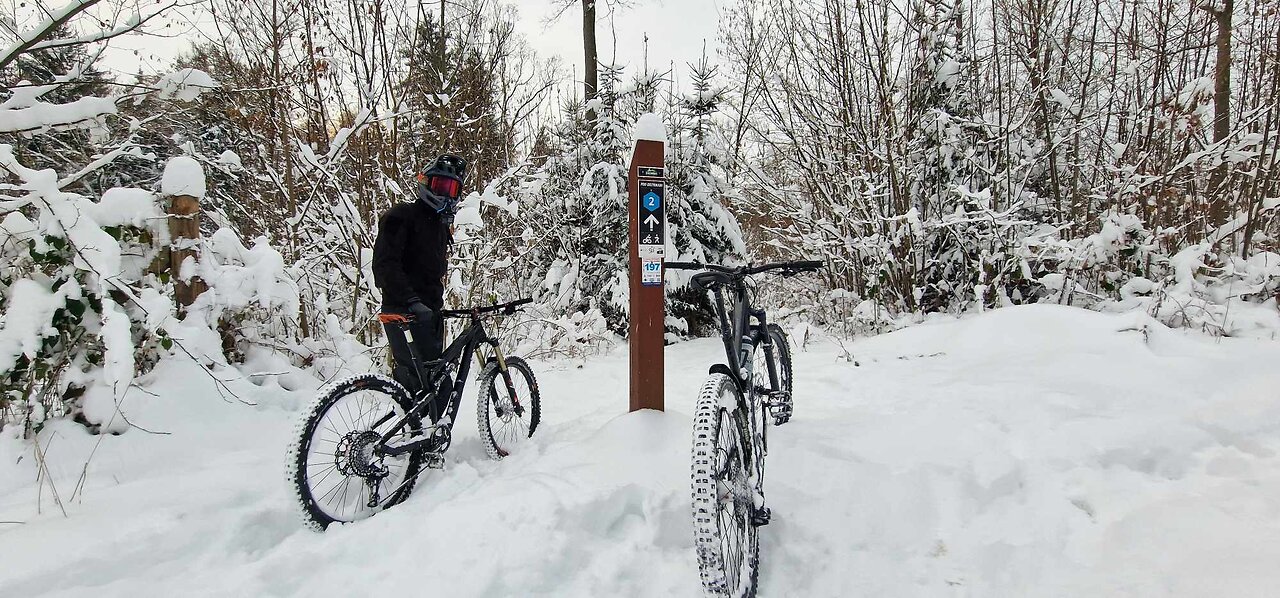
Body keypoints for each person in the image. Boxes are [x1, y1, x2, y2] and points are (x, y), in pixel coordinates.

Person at [372, 154, 467, 399]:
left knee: (433, 387)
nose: (446, 194)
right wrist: (412, 300)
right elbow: (384, 265)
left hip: (429, 314)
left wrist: (432, 307)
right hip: (404, 312)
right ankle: (414, 434)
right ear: (425, 183)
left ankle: (424, 434)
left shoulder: (439, 226)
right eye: (440, 186)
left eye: (452, 188)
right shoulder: (401, 216)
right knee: (423, 387)